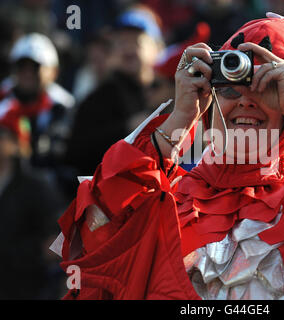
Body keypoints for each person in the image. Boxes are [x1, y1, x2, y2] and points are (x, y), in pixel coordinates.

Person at [54, 13, 284, 300]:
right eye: (232, 85)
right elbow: (95, 237)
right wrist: (181, 116)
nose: (246, 101)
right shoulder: (165, 199)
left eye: (268, 86)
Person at [64, 6, 165, 179]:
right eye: (121, 42)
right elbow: (75, 153)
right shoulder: (99, 98)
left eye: (136, 42)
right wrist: (126, 129)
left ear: (157, 48)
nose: (128, 49)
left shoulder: (172, 90)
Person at [0, 106, 65, 299]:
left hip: (24, 286)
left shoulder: (36, 185)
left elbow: (57, 239)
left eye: (2, 134)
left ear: (16, 142)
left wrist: (31, 254)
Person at [0, 33, 75, 171]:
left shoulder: (63, 106)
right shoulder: (3, 100)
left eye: (35, 67)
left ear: (54, 71)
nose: (28, 74)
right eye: (22, 66)